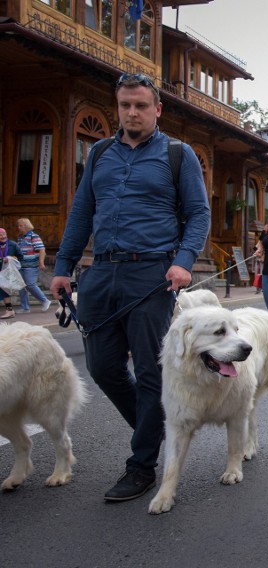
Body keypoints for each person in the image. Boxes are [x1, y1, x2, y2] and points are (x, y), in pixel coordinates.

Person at [50, 72, 210, 501]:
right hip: (101, 273)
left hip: (152, 273)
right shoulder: (101, 152)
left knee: (150, 370)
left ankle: (141, 465)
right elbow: (81, 212)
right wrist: (63, 266)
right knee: (102, 366)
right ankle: (154, 430)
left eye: (141, 105)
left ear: (157, 109)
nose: (132, 112)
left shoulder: (179, 154)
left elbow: (198, 214)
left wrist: (182, 263)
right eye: (125, 105)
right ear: (117, 107)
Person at [16, 218, 52, 313]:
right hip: (22, 265)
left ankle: (44, 301)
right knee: (21, 286)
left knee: (30, 284)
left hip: (32, 265)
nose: (19, 227)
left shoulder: (33, 236)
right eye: (18, 226)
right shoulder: (20, 237)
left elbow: (41, 249)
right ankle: (25, 307)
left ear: (27, 226)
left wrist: (41, 263)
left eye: (21, 225)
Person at [1, 227, 25, 318]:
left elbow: (20, 257)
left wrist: (11, 259)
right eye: (0, 235)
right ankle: (10, 310)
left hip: (7, 271)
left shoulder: (12, 244)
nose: (2, 237)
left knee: (4, 290)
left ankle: (10, 310)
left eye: (3, 234)